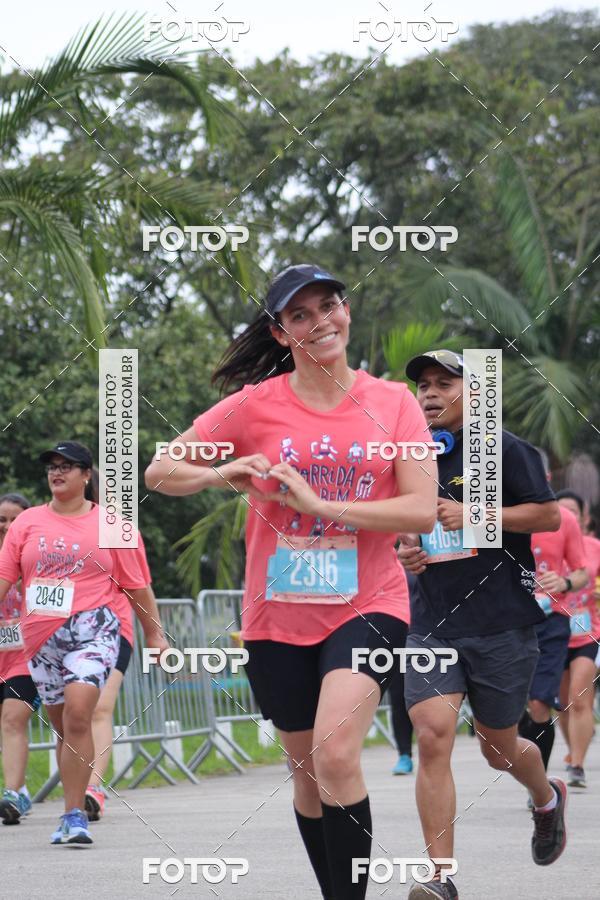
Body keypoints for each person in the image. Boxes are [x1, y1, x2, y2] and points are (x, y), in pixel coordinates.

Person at [145, 263, 437, 900]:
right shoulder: (255, 405)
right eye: (299, 315)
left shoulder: (395, 403)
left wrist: (323, 505)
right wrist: (220, 474)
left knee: (336, 753)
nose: (319, 322)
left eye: (328, 306)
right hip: (276, 614)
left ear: (346, 311)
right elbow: (160, 470)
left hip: (369, 603)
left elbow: (420, 509)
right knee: (307, 775)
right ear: (281, 334)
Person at [399, 349, 567, 900]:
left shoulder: (505, 449)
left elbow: (548, 514)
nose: (430, 393)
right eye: (424, 384)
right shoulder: (414, 456)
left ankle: (546, 798)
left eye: (444, 383)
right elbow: (404, 524)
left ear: (474, 392)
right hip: (432, 623)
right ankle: (439, 877)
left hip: (502, 623)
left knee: (498, 748)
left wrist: (478, 514)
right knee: (432, 736)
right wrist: (406, 548)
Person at [0, 441, 168, 845]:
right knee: (63, 726)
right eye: (52, 467)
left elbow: (138, 587)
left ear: (86, 475)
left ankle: (73, 815)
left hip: (94, 629)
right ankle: (71, 806)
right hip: (41, 638)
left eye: (67, 466)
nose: (57, 473)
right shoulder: (27, 523)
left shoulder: (114, 527)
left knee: (79, 713)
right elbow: (4, 578)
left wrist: (155, 634)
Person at [82, 468, 157, 821]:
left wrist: (155, 634)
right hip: (65, 633)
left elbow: (141, 587)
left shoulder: (120, 531)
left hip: (112, 630)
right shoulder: (55, 529)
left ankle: (93, 788)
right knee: (74, 714)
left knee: (99, 709)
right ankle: (74, 788)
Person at [517, 460, 587, 776]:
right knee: (507, 711)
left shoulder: (565, 519)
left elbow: (582, 572)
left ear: (544, 476)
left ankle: (539, 785)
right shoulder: (498, 514)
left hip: (552, 621)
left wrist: (565, 582)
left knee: (539, 703)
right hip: (507, 620)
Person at [555, 489, 600, 788]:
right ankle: (574, 749)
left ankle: (578, 765)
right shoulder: (543, 543)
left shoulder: (595, 547)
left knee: (579, 697)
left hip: (588, 632)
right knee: (562, 704)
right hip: (554, 632)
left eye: (573, 511)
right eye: (561, 510)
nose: (567, 516)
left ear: (584, 519)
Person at [0, 492, 39, 824]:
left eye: (16, 518)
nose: (8, 525)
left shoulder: (39, 555)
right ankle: (21, 789)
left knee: (13, 718)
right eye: (2, 519)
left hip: (26, 656)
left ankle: (12, 794)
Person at [389, 571, 417, 775]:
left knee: (431, 701)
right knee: (398, 697)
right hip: (399, 640)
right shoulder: (393, 568)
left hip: (432, 638)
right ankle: (404, 754)